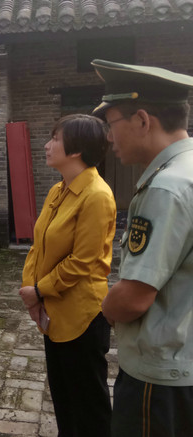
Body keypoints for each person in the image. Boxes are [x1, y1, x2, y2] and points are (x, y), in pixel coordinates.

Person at [92, 59, 193, 437]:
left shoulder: (166, 188)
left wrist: (105, 309)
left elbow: (134, 298)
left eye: (111, 124)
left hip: (160, 375)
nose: (109, 138)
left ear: (142, 120)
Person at [18, 114, 116, 437]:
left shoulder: (97, 195)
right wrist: (31, 290)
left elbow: (82, 262)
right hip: (55, 312)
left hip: (82, 317)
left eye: (55, 139)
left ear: (76, 150)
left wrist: (39, 291)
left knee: (89, 407)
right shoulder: (58, 190)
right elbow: (38, 245)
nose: (47, 145)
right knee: (64, 399)